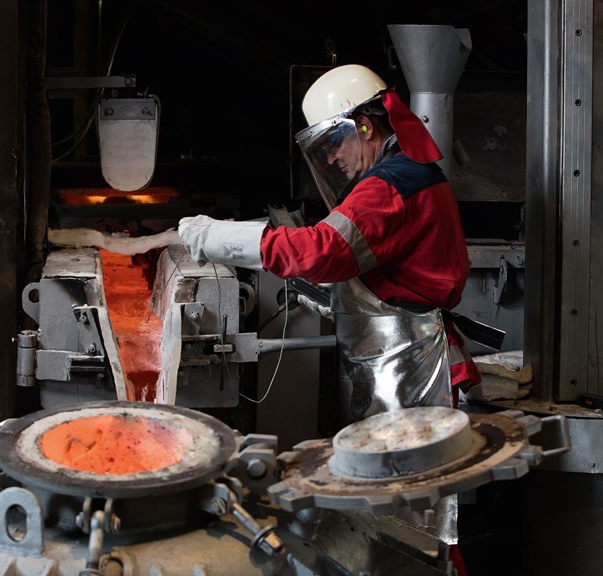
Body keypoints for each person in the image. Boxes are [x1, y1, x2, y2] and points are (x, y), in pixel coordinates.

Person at [178, 64, 479, 569]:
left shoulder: (392, 185)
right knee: (391, 509)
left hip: (409, 370)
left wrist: (219, 237)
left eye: (333, 143)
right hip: (392, 363)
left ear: (364, 125)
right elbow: (375, 276)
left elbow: (322, 251)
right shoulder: (398, 178)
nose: (333, 158)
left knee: (411, 519)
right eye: (321, 152)